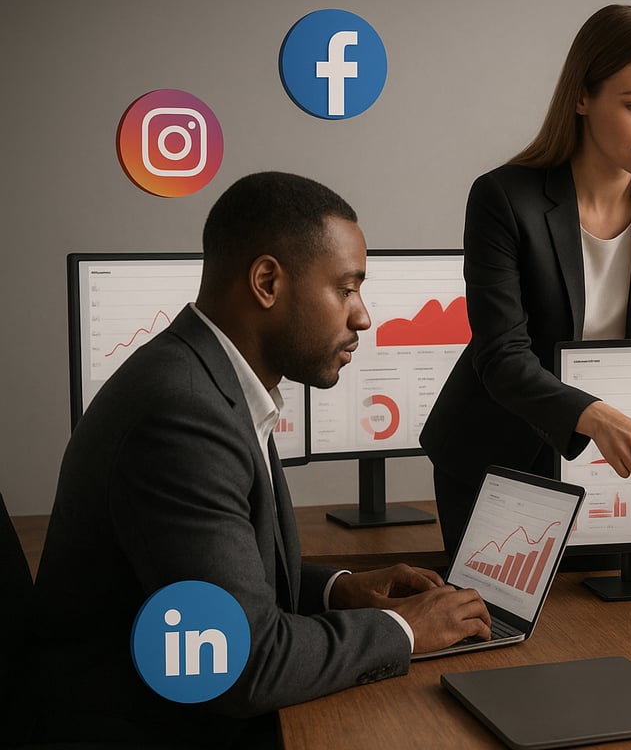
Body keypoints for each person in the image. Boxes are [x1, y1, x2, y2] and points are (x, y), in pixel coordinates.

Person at [30, 172, 491, 748]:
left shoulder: (206, 379)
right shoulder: (184, 415)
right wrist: (403, 628)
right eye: (347, 288)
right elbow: (237, 662)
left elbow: (223, 580)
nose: (363, 317)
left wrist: (340, 589)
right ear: (267, 281)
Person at [420, 4, 631, 557]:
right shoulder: (504, 199)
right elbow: (502, 356)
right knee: (505, 633)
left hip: (622, 461)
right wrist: (594, 416)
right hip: (500, 451)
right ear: (582, 97)